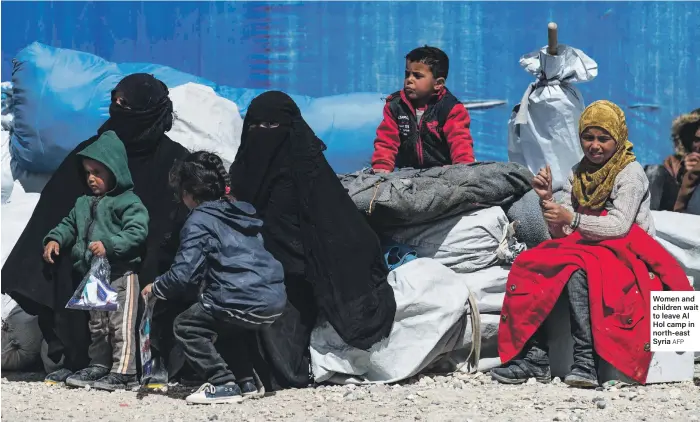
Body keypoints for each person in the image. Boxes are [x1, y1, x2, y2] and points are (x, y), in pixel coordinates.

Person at [1, 74, 190, 385]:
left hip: (142, 260)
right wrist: (56, 241)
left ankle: (137, 362)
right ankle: (79, 358)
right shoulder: (93, 153)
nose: (118, 109)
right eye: (115, 102)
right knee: (60, 265)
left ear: (149, 110)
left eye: (127, 104)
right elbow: (57, 210)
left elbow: (179, 222)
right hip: (92, 258)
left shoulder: (174, 159)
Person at [491, 100, 693, 387]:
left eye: (603, 138)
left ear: (619, 138)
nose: (595, 145)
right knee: (530, 261)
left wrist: (571, 219)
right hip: (589, 243)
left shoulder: (630, 174)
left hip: (630, 250)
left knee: (577, 270)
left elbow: (620, 226)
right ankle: (535, 357)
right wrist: (548, 200)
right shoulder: (579, 172)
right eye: (588, 137)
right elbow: (561, 232)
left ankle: (586, 362)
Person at [229, 91, 396, 389]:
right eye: (257, 126)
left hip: (297, 279)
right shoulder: (243, 170)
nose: (264, 134)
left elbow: (340, 233)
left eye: (272, 126)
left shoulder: (309, 173)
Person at [141, 151, 286, 404]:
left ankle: (221, 382)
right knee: (226, 327)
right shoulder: (239, 212)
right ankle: (246, 382)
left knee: (186, 325)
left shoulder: (199, 219)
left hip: (239, 296)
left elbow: (183, 274)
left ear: (187, 192)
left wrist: (156, 288)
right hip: (272, 299)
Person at [42, 130, 149, 391]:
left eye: (98, 172)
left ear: (115, 171)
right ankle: (99, 365)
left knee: (120, 325)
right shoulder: (82, 203)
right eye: (88, 172)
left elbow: (138, 231)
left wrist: (110, 245)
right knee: (98, 325)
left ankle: (124, 371)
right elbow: (68, 225)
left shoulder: (127, 201)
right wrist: (55, 239)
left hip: (120, 274)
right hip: (93, 274)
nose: (92, 178)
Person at [371, 45, 475, 173]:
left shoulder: (451, 109)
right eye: (407, 74)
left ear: (438, 84)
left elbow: (460, 143)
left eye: (417, 76)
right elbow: (386, 141)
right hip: (405, 173)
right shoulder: (395, 106)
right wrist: (382, 167)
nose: (409, 80)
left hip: (441, 174)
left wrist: (462, 171)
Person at [646, 108, 700, 214]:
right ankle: (644, 225)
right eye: (697, 140)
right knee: (654, 171)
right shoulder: (675, 163)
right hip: (673, 216)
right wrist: (683, 172)